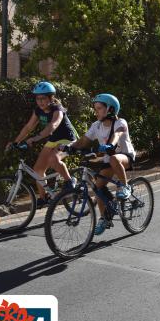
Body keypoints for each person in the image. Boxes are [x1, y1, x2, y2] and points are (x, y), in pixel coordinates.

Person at [61, 93, 136, 235]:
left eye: (99, 108)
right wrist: (69, 147)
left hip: (126, 157)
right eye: (95, 109)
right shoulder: (96, 126)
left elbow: (117, 135)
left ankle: (125, 186)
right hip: (110, 160)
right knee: (97, 188)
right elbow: (83, 140)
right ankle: (105, 218)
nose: (96, 112)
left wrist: (110, 145)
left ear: (111, 110)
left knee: (114, 159)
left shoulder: (120, 123)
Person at [7, 81, 78, 207]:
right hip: (53, 140)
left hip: (67, 139)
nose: (40, 102)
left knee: (53, 158)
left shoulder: (58, 109)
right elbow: (29, 127)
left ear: (51, 98)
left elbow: (53, 125)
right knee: (38, 169)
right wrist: (15, 142)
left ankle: (69, 181)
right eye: (38, 98)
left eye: (43, 98)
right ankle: (44, 197)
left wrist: (35, 139)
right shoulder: (38, 111)